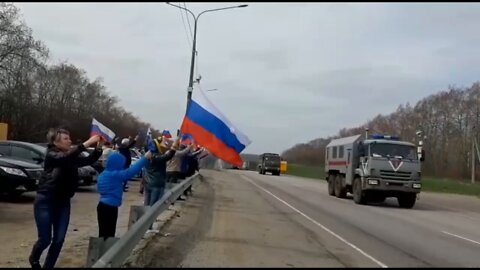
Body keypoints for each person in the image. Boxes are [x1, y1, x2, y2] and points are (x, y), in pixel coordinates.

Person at [29, 129, 102, 269]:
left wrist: (98, 148)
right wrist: (86, 144)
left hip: (63, 203)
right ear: (55, 142)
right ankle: (34, 257)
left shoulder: (71, 157)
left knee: (59, 240)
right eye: (65, 138)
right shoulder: (51, 155)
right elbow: (63, 158)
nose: (70, 141)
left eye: (69, 138)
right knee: (45, 239)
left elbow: (89, 160)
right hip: (46, 200)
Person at [96, 149, 153, 239]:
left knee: (103, 233)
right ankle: (107, 252)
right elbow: (132, 171)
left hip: (103, 205)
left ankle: (103, 251)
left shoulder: (104, 174)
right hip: (110, 208)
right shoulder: (115, 175)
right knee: (108, 235)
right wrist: (145, 158)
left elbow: (99, 189)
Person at [143, 135, 180, 230]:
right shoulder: (156, 157)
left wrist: (165, 141)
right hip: (156, 184)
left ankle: (143, 226)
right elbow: (168, 155)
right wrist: (174, 145)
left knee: (146, 206)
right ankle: (149, 227)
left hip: (147, 184)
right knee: (153, 207)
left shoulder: (147, 155)